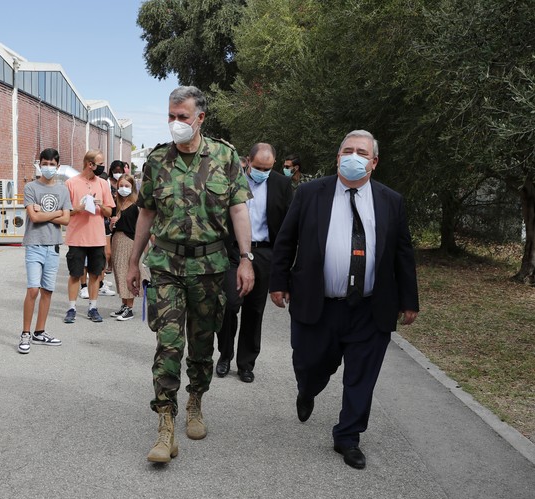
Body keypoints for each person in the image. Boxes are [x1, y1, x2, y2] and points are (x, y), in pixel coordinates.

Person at [269, 130, 419, 470]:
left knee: (361, 376)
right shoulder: (309, 193)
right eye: (347, 151)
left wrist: (409, 300)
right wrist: (278, 282)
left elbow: (402, 253)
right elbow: (286, 240)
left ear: (374, 162)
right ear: (338, 158)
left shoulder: (390, 200)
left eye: (362, 152)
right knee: (310, 363)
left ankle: (348, 436)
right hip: (318, 303)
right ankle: (307, 389)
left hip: (370, 306)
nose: (354, 157)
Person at [125, 86, 255, 464]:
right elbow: (146, 213)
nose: (176, 123)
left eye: (183, 116)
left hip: (210, 268)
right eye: (171, 116)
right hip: (166, 266)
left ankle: (195, 401)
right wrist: (133, 262)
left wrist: (246, 259)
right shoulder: (157, 160)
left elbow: (239, 212)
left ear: (200, 118)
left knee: (201, 346)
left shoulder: (224, 156)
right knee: (168, 345)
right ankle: (165, 425)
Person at [215, 143, 292, 382]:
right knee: (229, 304)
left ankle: (246, 363)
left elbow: (289, 226)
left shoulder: (282, 184)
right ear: (247, 161)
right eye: (258, 167)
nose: (262, 172)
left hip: (264, 253)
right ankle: (225, 354)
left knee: (255, 310)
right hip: (233, 252)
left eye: (267, 168)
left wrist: (284, 268)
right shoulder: (231, 180)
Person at [18, 148, 72, 354]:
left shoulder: (63, 190)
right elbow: (34, 218)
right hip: (34, 244)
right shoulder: (31, 187)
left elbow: (66, 219)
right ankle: (25, 332)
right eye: (45, 163)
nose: (48, 167)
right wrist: (57, 212)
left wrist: (48, 212)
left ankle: (39, 331)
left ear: (58, 166)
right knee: (33, 289)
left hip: (53, 246)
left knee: (47, 290)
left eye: (52, 164)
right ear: (39, 164)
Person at [64, 150, 115, 324]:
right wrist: (77, 208)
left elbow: (110, 211)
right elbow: (65, 213)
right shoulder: (71, 183)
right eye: (100, 163)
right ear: (89, 164)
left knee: (95, 274)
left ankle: (93, 307)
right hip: (76, 237)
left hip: (97, 238)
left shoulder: (103, 184)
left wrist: (101, 206)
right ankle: (71, 308)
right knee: (75, 274)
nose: (102, 167)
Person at [109, 173, 139, 321]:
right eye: (121, 185)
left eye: (126, 186)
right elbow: (112, 226)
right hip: (117, 240)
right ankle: (124, 304)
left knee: (127, 273)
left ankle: (130, 307)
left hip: (128, 241)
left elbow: (138, 227)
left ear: (132, 187)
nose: (123, 188)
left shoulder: (135, 206)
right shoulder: (117, 204)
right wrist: (112, 223)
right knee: (119, 273)